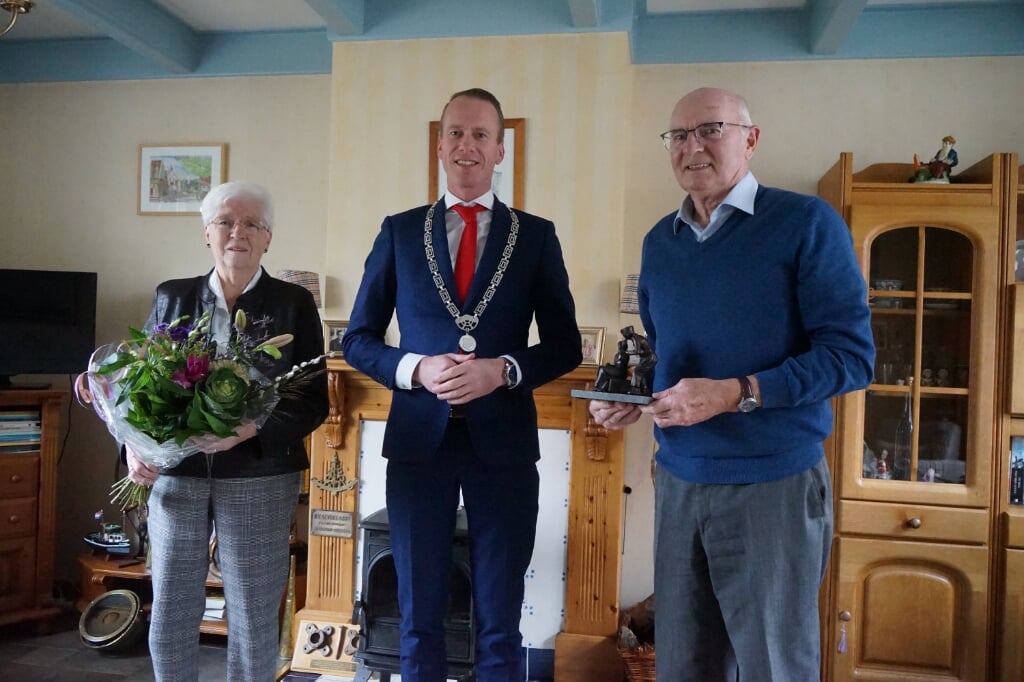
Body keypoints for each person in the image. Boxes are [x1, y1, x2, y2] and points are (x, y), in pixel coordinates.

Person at [588, 87, 874, 681]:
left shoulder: (805, 223)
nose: (692, 146)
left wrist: (735, 392)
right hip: (679, 483)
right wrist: (632, 402)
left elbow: (850, 358)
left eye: (710, 129)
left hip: (772, 487)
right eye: (678, 135)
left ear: (751, 138)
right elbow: (665, 355)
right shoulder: (658, 244)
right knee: (684, 665)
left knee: (773, 665)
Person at [343, 87, 581, 682]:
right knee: (418, 612)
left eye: (480, 135)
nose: (466, 145)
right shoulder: (399, 232)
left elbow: (565, 345)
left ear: (500, 150)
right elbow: (358, 338)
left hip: (503, 446)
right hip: (419, 445)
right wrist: (415, 369)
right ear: (439, 145)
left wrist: (503, 369)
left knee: (499, 615)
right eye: (455, 133)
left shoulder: (536, 236)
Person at [125, 181, 329, 682]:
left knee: (255, 615)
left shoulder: (293, 304)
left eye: (252, 224)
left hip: (259, 474)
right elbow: (137, 388)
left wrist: (249, 430)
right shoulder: (171, 298)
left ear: (268, 238)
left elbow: (312, 400)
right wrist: (132, 446)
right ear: (207, 234)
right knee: (171, 608)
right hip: (177, 473)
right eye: (225, 222)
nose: (238, 232)